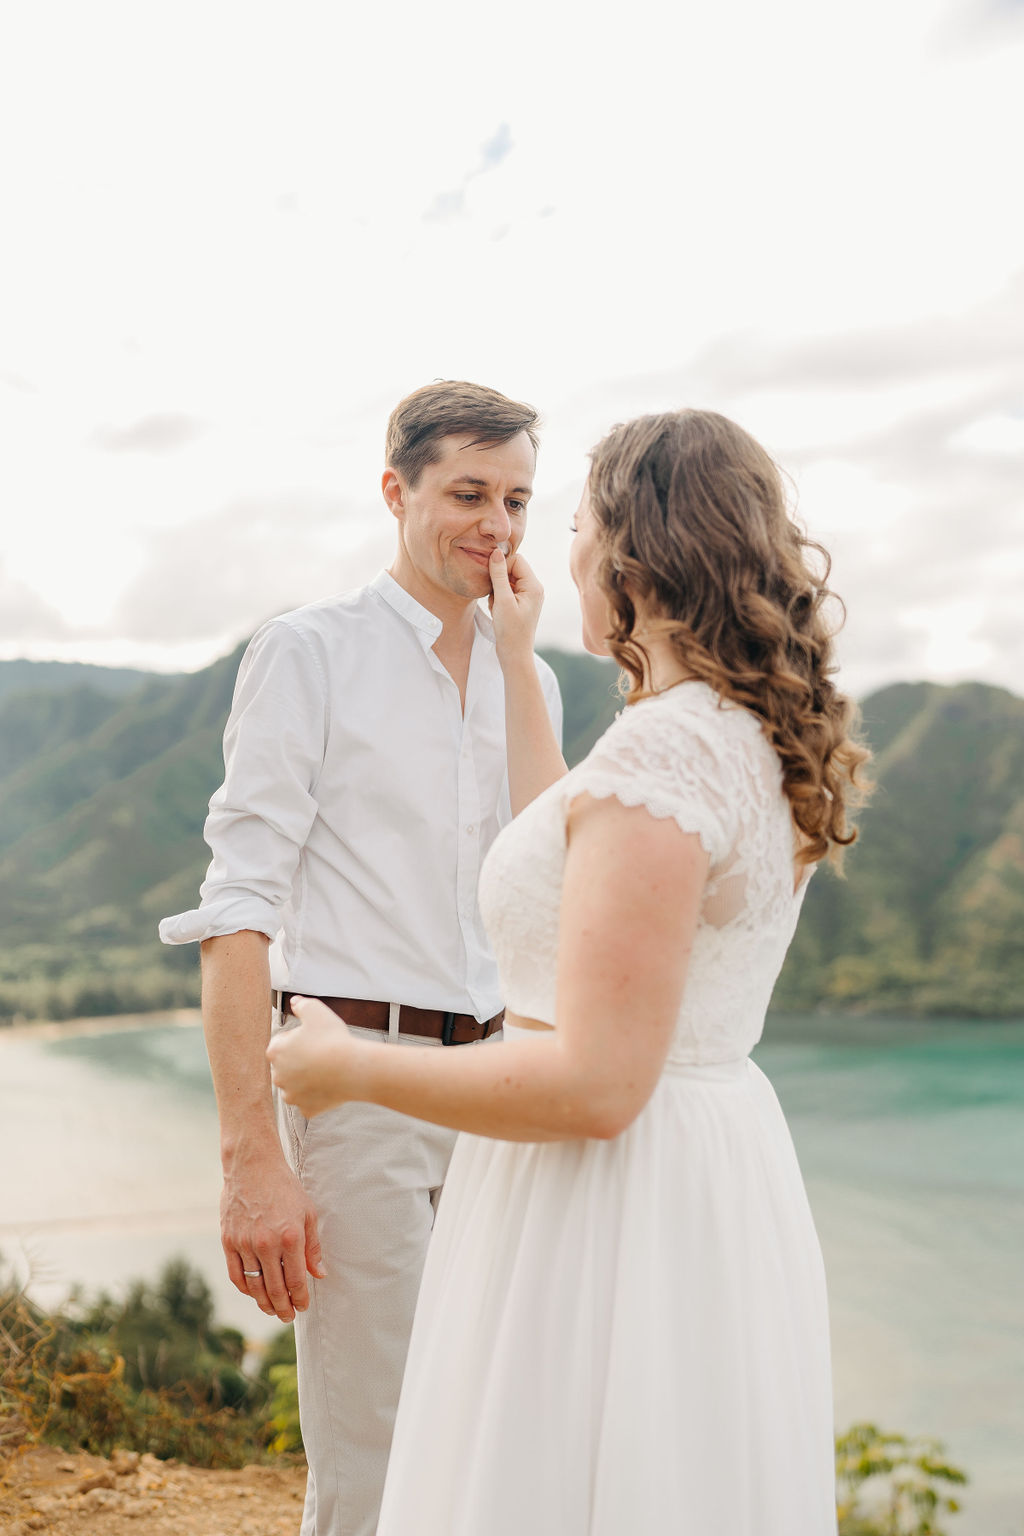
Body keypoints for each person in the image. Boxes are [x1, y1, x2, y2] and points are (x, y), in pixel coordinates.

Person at [268, 407, 871, 1535]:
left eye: (576, 520)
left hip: (610, 1194)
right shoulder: (733, 735)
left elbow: (595, 1084)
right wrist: (512, 658)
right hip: (704, 1170)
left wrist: (349, 1066)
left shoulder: (667, 749)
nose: (555, 550)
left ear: (636, 552)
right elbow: (574, 863)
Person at [158, 379, 562, 1536]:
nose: (497, 526)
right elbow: (239, 906)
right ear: (397, 492)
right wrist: (251, 1160)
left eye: (520, 501)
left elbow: (547, 877)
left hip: (498, 1092)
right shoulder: (307, 651)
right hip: (356, 1087)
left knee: (494, 1439)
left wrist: (524, 655)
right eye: (469, 494)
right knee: (376, 1457)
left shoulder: (523, 671)